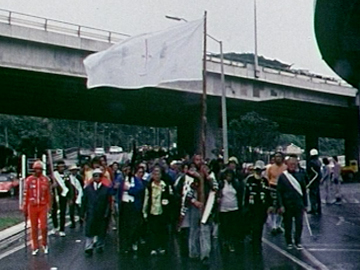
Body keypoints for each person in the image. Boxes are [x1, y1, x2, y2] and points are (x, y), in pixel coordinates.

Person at [277, 155, 307, 250]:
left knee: (299, 223)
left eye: (294, 164)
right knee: (288, 224)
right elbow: (279, 192)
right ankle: (289, 241)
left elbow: (304, 191)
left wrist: (305, 204)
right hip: (287, 204)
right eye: (291, 164)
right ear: (287, 164)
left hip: (298, 203)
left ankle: (297, 241)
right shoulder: (282, 176)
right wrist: (281, 205)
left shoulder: (300, 175)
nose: (292, 166)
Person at [23, 161, 51, 256]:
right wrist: (24, 207)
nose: (38, 171)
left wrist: (49, 206)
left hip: (42, 206)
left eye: (40, 169)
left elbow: (48, 194)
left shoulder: (45, 180)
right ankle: (35, 246)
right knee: (33, 227)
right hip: (32, 206)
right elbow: (26, 194)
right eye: (36, 169)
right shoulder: (29, 180)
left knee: (43, 227)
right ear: (34, 170)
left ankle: (44, 243)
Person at [143, 167, 173, 256]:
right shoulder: (149, 186)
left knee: (162, 230)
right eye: (155, 174)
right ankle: (153, 247)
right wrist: (144, 212)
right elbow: (146, 199)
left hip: (162, 211)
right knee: (152, 230)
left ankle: (162, 246)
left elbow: (170, 198)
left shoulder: (165, 185)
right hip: (152, 211)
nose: (157, 176)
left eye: (158, 173)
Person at [244, 160, 271, 254]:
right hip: (252, 207)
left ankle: (258, 241)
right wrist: (245, 206)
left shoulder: (265, 181)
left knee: (260, 225)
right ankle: (255, 241)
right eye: (257, 170)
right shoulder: (249, 179)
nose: (258, 172)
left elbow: (268, 194)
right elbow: (246, 194)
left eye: (260, 170)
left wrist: (269, 206)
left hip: (262, 207)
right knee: (254, 225)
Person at [83, 169, 112, 256]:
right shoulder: (88, 188)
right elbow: (84, 200)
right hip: (91, 212)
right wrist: (82, 213)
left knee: (101, 230)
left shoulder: (106, 189)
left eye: (99, 176)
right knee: (89, 230)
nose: (97, 178)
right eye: (95, 176)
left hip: (101, 213)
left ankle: (100, 245)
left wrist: (107, 213)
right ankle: (89, 247)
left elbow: (108, 202)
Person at [117, 166, 144, 254]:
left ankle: (133, 242)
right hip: (124, 206)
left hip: (133, 206)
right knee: (124, 226)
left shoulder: (136, 180)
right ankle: (125, 245)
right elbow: (113, 189)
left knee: (134, 226)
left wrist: (129, 189)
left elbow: (139, 190)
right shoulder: (121, 180)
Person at [218, 168, 243, 253]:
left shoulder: (235, 184)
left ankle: (231, 242)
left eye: (230, 176)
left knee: (233, 227)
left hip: (234, 208)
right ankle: (226, 241)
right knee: (225, 226)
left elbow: (239, 194)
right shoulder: (221, 184)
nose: (229, 177)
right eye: (227, 175)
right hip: (224, 209)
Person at [266, 152, 287, 235]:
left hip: (283, 188)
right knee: (273, 207)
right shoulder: (270, 168)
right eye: (276, 157)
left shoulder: (285, 167)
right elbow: (268, 178)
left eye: (279, 157)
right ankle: (273, 225)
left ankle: (278, 225)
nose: (278, 158)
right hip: (273, 187)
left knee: (281, 207)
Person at [51, 160, 71, 237]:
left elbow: (69, 186)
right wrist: (53, 186)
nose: (62, 168)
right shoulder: (54, 175)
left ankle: (62, 229)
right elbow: (49, 186)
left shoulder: (66, 176)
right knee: (54, 212)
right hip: (55, 196)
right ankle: (55, 226)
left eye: (63, 166)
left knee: (62, 213)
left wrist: (69, 197)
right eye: (60, 167)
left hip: (63, 196)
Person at [307, 149, 322, 215]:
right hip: (317, 180)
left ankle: (313, 209)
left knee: (312, 195)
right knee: (317, 195)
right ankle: (319, 209)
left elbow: (310, 173)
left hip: (313, 180)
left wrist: (308, 181)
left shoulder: (311, 163)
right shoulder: (319, 161)